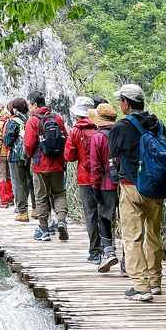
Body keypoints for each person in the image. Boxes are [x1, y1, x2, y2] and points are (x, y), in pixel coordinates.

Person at [109, 82, 164, 302]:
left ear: (126, 103)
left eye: (120, 100)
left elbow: (113, 157)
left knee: (132, 237)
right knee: (153, 234)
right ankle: (155, 281)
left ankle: (141, 287)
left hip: (131, 185)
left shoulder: (121, 127)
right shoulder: (157, 124)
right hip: (157, 186)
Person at [24, 90, 69, 242]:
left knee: (41, 197)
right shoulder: (57, 118)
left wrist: (30, 156)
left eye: (30, 105)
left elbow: (29, 144)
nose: (29, 108)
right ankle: (61, 221)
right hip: (57, 163)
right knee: (59, 193)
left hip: (39, 165)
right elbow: (65, 138)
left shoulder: (33, 121)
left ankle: (44, 231)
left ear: (35, 105)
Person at [64, 97, 102, 263]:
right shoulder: (101, 127)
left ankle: (94, 251)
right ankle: (109, 248)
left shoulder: (75, 131)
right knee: (106, 213)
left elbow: (69, 156)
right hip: (104, 178)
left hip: (85, 178)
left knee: (91, 214)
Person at [88, 102, 120, 272]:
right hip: (125, 184)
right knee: (126, 222)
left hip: (106, 184)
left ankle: (109, 253)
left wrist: (95, 187)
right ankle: (128, 262)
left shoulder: (98, 137)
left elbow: (96, 166)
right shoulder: (122, 133)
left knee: (104, 218)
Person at [4, 98, 32, 222]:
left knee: (18, 183)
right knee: (28, 181)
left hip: (16, 155)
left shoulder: (13, 121)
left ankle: (22, 211)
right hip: (28, 154)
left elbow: (8, 141)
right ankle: (35, 209)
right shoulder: (28, 119)